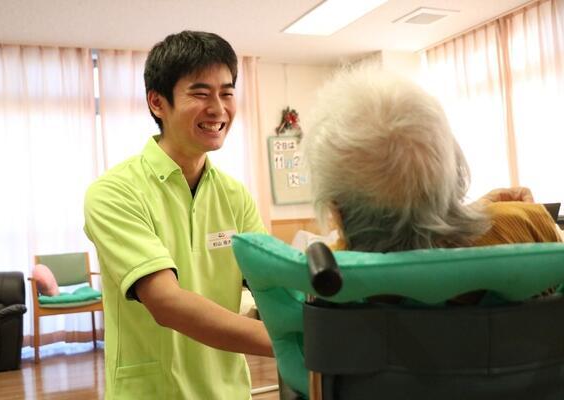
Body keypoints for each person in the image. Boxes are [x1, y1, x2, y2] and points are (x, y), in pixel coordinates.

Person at [84, 31, 272, 400]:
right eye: (201, 93)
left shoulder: (235, 195)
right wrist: (295, 342)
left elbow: (269, 284)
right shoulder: (113, 192)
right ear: (158, 103)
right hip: (152, 390)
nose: (218, 108)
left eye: (227, 92)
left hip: (228, 389)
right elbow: (166, 302)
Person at [303, 67, 561, 256]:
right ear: (455, 174)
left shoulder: (327, 273)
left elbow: (404, 245)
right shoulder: (525, 225)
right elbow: (439, 242)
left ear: (335, 211)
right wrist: (470, 212)